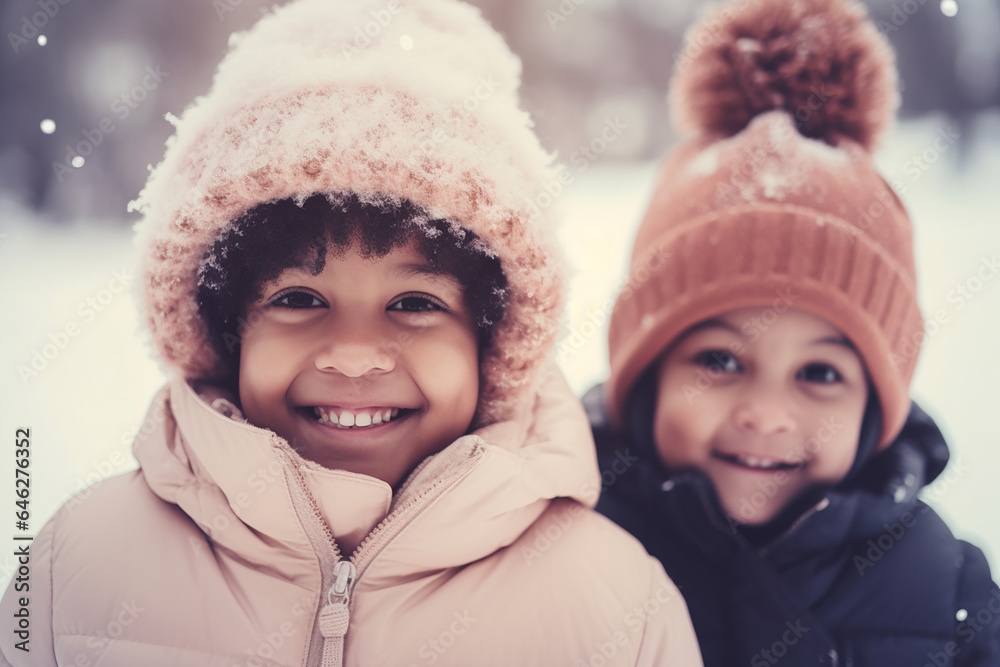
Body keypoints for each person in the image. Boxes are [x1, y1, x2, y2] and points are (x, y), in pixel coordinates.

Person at [0, 1, 704, 665]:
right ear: (226, 329)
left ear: (492, 344)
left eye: (415, 302)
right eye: (299, 298)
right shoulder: (76, 569)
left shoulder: (617, 608)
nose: (355, 354)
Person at [585, 0, 1000, 665]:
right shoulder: (565, 557)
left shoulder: (950, 596)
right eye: (720, 359)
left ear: (876, 408)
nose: (767, 413)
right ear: (646, 375)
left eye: (821, 372)